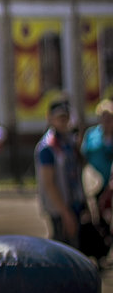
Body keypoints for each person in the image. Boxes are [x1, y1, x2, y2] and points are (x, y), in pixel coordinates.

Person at [34, 97, 87, 249]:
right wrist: (65, 213)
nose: (64, 121)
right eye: (59, 118)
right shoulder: (48, 147)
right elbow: (49, 183)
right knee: (64, 252)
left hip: (75, 204)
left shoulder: (69, 141)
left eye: (66, 117)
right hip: (60, 210)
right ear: (50, 118)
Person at [81, 99, 113, 242]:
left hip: (111, 184)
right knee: (97, 216)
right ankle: (102, 246)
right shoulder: (92, 134)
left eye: (110, 117)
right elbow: (83, 155)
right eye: (104, 117)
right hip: (95, 184)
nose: (107, 121)